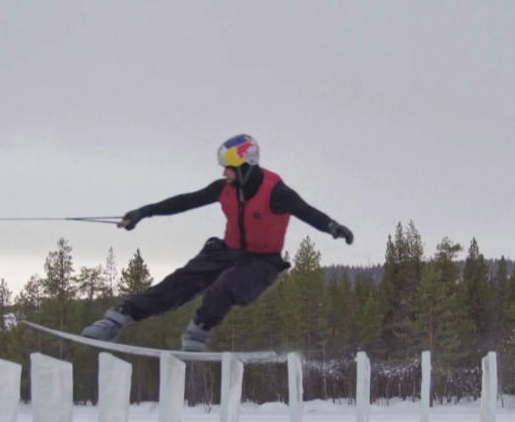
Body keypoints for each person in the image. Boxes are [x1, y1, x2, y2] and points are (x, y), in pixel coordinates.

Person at [82, 134, 354, 351]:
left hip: (262, 262)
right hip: (226, 251)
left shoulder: (276, 192)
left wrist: (332, 227)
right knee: (180, 282)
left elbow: (306, 211)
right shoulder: (223, 188)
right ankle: (117, 318)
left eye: (230, 168)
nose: (225, 173)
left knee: (227, 286)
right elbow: (184, 201)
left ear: (246, 167)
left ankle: (198, 331)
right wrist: (143, 212)